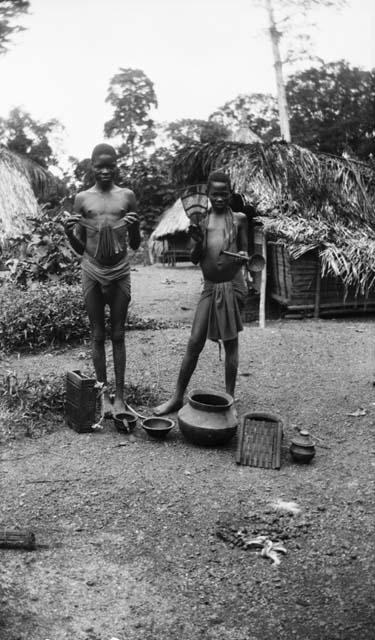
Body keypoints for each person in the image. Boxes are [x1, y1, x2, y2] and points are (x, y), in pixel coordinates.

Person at [154, 170, 249, 416]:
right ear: (208, 194)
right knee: (195, 340)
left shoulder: (239, 220)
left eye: (224, 194)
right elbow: (196, 259)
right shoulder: (201, 222)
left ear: (230, 193)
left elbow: (246, 254)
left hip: (232, 285)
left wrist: (245, 259)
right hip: (210, 287)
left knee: (231, 344)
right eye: (215, 194)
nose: (219, 198)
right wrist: (196, 241)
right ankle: (176, 397)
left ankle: (229, 399)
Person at [65, 143, 141, 419]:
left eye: (111, 165)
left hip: (120, 270)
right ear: (92, 167)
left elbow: (135, 243)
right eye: (100, 166)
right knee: (97, 334)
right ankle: (103, 394)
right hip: (92, 271)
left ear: (117, 166)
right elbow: (79, 246)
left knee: (118, 334)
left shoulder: (127, 196)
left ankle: (120, 397)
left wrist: (133, 227)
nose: (106, 171)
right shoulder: (82, 198)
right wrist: (68, 232)